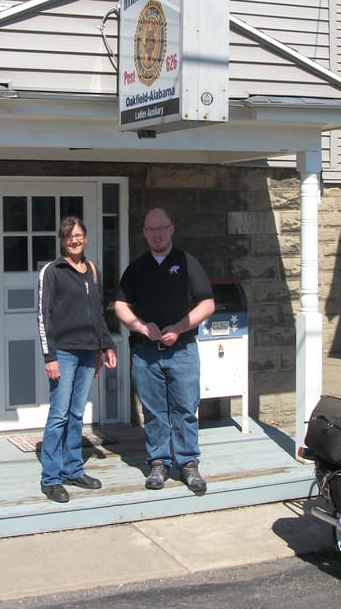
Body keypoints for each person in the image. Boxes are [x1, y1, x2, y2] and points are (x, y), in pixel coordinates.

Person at [114, 209, 215, 493]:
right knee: (154, 412)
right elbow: (121, 305)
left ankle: (188, 464)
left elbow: (207, 303)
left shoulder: (187, 263)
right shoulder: (136, 268)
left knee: (185, 409)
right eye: (151, 229)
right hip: (146, 354)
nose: (156, 233)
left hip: (182, 351)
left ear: (172, 229)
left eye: (162, 228)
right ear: (144, 232)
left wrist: (180, 328)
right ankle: (158, 462)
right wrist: (142, 326)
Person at [36, 216, 117, 503]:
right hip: (65, 353)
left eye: (79, 235)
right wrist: (50, 356)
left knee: (77, 413)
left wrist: (107, 345)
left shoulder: (91, 270)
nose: (75, 240)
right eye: (69, 236)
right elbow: (43, 316)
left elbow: (97, 312)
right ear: (62, 239)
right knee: (59, 413)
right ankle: (51, 477)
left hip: (88, 351)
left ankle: (73, 468)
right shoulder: (52, 270)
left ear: (86, 237)